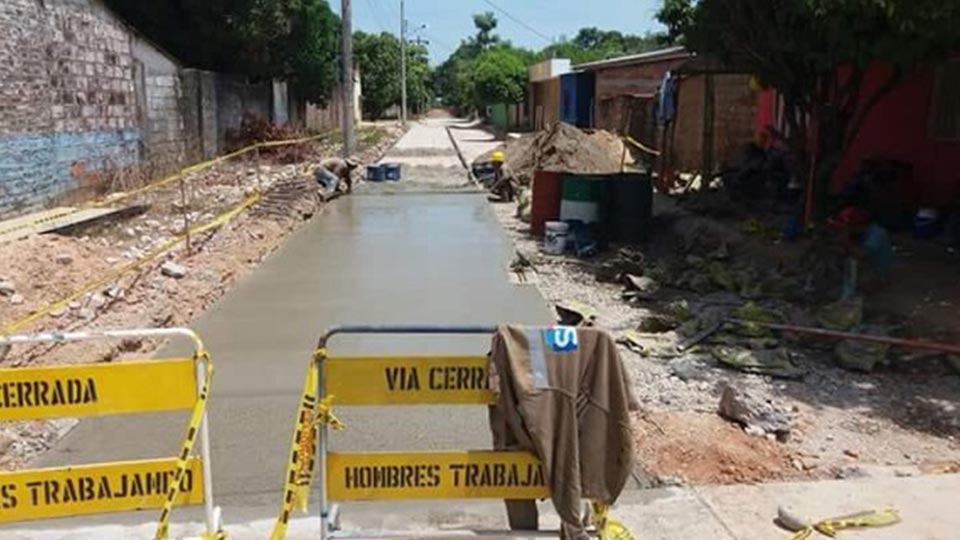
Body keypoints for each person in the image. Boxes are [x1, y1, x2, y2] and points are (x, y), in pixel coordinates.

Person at [830, 206, 894, 297]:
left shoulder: (877, 234)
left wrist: (845, 240)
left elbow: (860, 254)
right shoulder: (862, 232)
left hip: (876, 273)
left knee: (851, 264)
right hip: (867, 266)